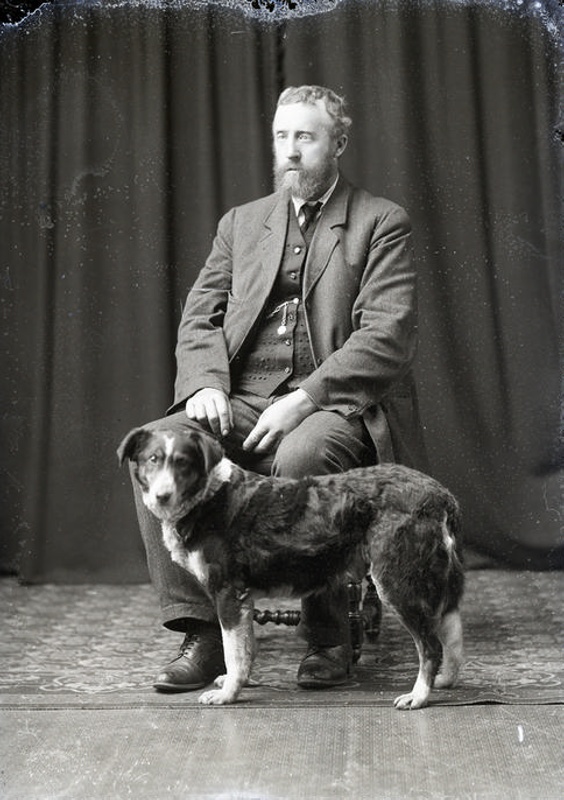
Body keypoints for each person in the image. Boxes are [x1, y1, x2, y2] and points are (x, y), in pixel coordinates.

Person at [129, 85, 428, 692]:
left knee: (302, 455)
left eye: (306, 137)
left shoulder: (380, 221)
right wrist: (204, 386)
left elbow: (386, 335)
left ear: (338, 143)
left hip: (331, 405)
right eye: (281, 137)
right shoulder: (241, 223)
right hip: (238, 400)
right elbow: (200, 316)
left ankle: (326, 636)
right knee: (154, 447)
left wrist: (306, 398)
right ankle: (207, 633)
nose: (290, 152)